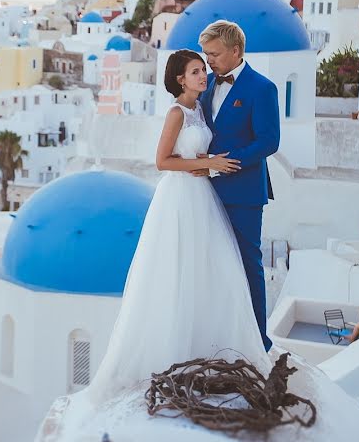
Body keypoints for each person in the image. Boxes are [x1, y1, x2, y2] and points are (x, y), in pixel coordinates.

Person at [86, 48, 271, 403]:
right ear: (179, 79)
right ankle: (171, 351)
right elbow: (162, 161)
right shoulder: (176, 113)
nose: (203, 75)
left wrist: (207, 163)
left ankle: (209, 345)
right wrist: (207, 161)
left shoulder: (200, 108)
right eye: (195, 71)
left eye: (204, 69)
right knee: (176, 268)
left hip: (204, 194)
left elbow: (197, 154)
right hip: (180, 197)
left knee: (210, 269)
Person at [199, 20, 280, 351]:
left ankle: (256, 339)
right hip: (203, 191)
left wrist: (225, 163)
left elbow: (268, 141)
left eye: (215, 54)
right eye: (206, 54)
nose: (209, 61)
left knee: (248, 264)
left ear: (236, 51)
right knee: (209, 264)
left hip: (243, 191)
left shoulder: (262, 88)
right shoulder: (204, 85)